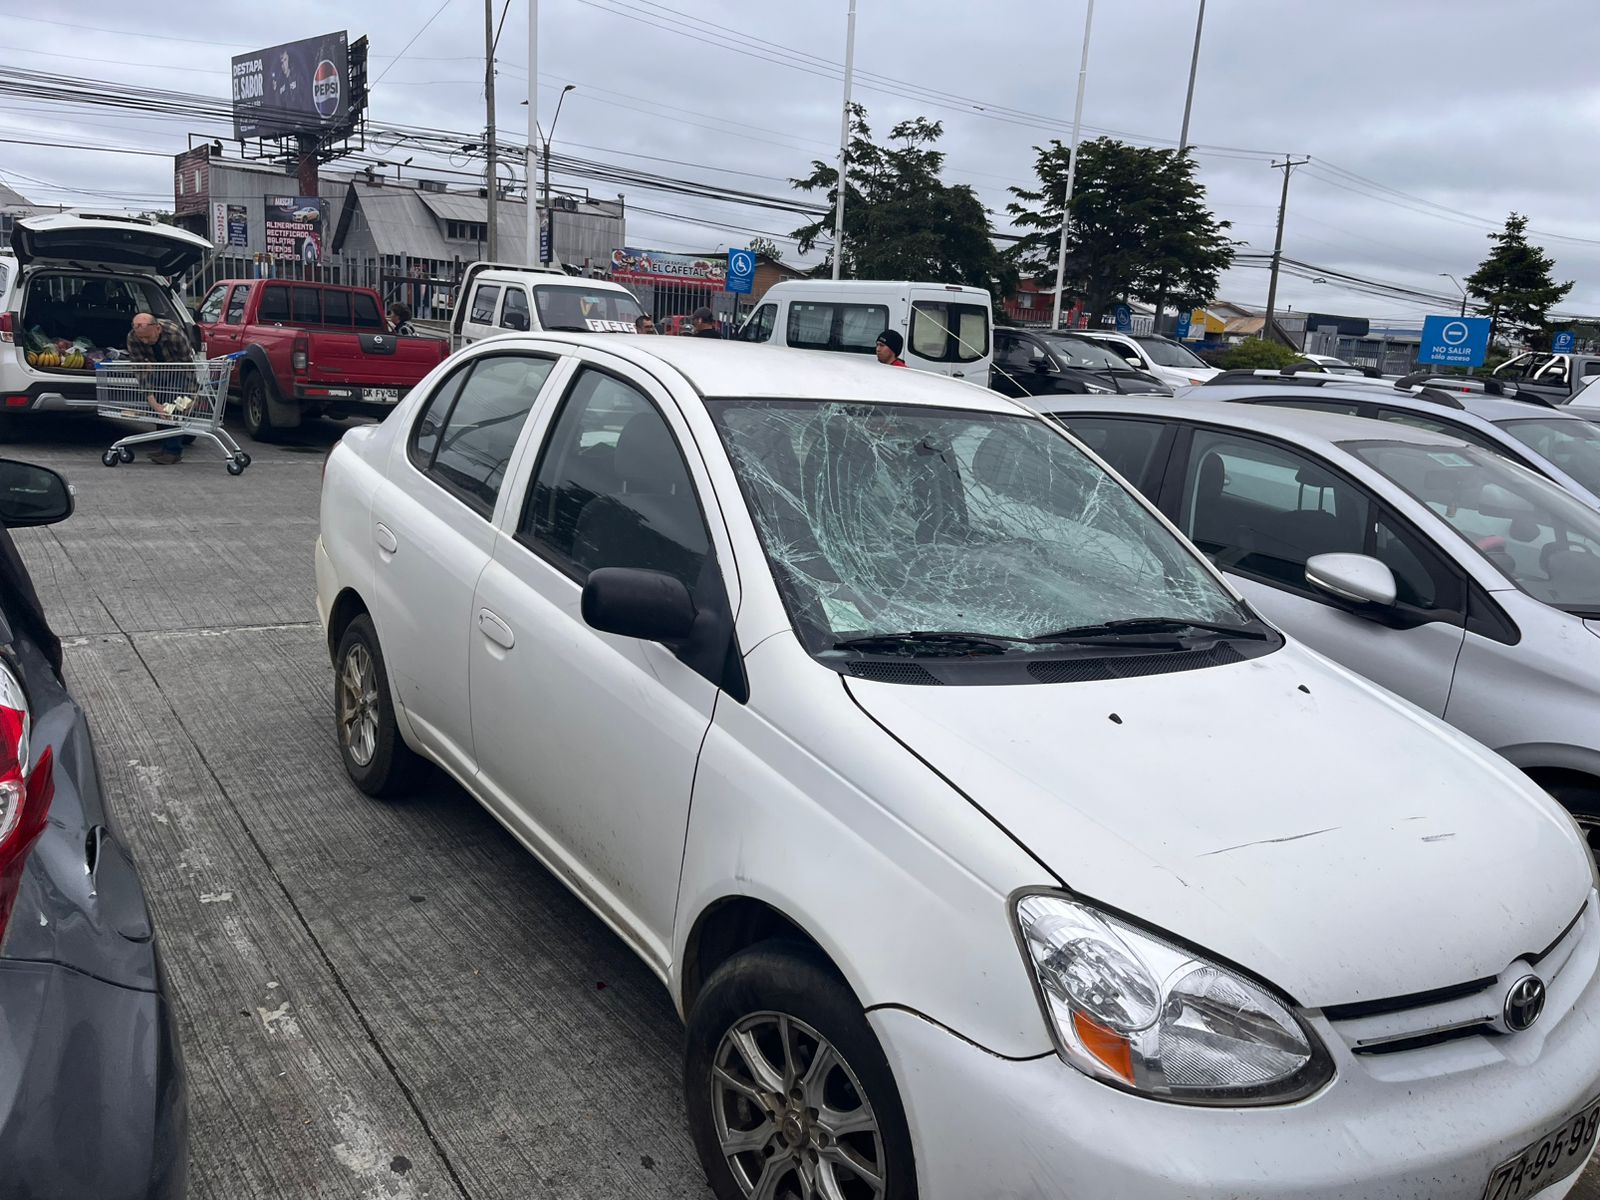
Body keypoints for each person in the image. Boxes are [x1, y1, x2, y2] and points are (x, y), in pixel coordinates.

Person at [126, 313, 198, 464]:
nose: (145, 342)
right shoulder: (133, 337)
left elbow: (187, 365)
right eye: (141, 338)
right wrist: (153, 402)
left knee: (173, 407)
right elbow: (139, 370)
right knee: (160, 408)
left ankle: (173, 451)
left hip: (177, 368)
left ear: (157, 329)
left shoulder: (174, 334)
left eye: (148, 337)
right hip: (156, 369)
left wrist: (192, 395)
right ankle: (164, 446)